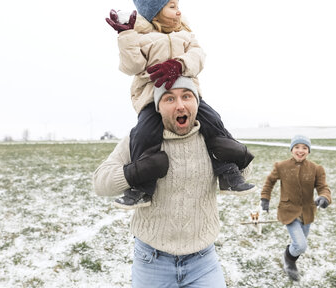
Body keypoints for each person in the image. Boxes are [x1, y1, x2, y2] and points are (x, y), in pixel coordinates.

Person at [105, 0, 256, 209]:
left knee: (214, 122)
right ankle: (141, 189)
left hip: (188, 95)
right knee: (145, 134)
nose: (178, 11)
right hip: (151, 96)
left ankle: (228, 174)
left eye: (178, 5)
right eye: (171, 6)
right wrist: (125, 35)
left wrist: (179, 64)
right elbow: (132, 66)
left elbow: (199, 56)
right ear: (155, 12)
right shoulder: (139, 37)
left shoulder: (185, 34)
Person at [94, 77, 240, 287]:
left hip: (203, 261)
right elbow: (100, 182)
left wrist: (239, 157)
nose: (180, 105)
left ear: (197, 102)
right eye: (169, 98)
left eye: (186, 96)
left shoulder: (211, 136)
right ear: (158, 107)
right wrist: (135, 172)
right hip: (152, 262)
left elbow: (245, 174)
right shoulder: (139, 140)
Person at [259, 135, 332, 282]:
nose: (300, 150)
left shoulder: (316, 169)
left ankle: (291, 254)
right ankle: (289, 261)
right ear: (292, 149)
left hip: (307, 213)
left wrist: (324, 198)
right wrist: (265, 198)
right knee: (301, 245)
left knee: (299, 244)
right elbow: (269, 182)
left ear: (308, 151)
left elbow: (323, 187)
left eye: (304, 148)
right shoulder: (281, 166)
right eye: (297, 147)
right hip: (288, 211)